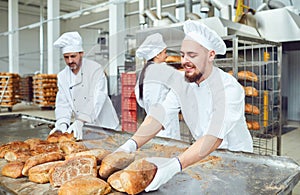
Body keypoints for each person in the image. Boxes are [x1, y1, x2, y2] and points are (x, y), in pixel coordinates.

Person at [116, 20, 253, 192]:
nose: (185, 61)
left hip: (236, 160)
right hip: (204, 156)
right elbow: (160, 114)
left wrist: (174, 166)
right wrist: (131, 144)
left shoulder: (229, 88)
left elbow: (213, 136)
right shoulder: (182, 83)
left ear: (211, 55)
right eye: (183, 55)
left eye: (192, 55)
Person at [49, 31, 120, 140]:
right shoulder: (63, 76)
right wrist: (62, 123)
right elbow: (63, 103)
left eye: (73, 56)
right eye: (66, 57)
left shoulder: (95, 70)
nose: (70, 61)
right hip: (84, 128)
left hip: (105, 126)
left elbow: (97, 99)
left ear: (81, 53)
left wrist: (81, 121)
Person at [134, 33, 181, 140]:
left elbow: (141, 100)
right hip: (166, 124)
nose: (166, 55)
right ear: (157, 55)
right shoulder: (162, 69)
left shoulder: (144, 72)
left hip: (150, 121)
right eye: (164, 52)